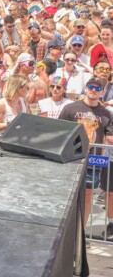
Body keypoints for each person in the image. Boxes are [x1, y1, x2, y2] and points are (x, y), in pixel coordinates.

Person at [59, 77, 113, 224]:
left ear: (102, 92)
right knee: (67, 195)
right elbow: (60, 131)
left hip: (93, 161)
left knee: (88, 194)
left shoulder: (106, 114)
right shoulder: (70, 108)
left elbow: (110, 135)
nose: (94, 90)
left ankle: (81, 231)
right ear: (86, 88)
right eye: (91, 86)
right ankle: (63, 227)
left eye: (97, 88)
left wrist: (110, 138)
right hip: (71, 159)